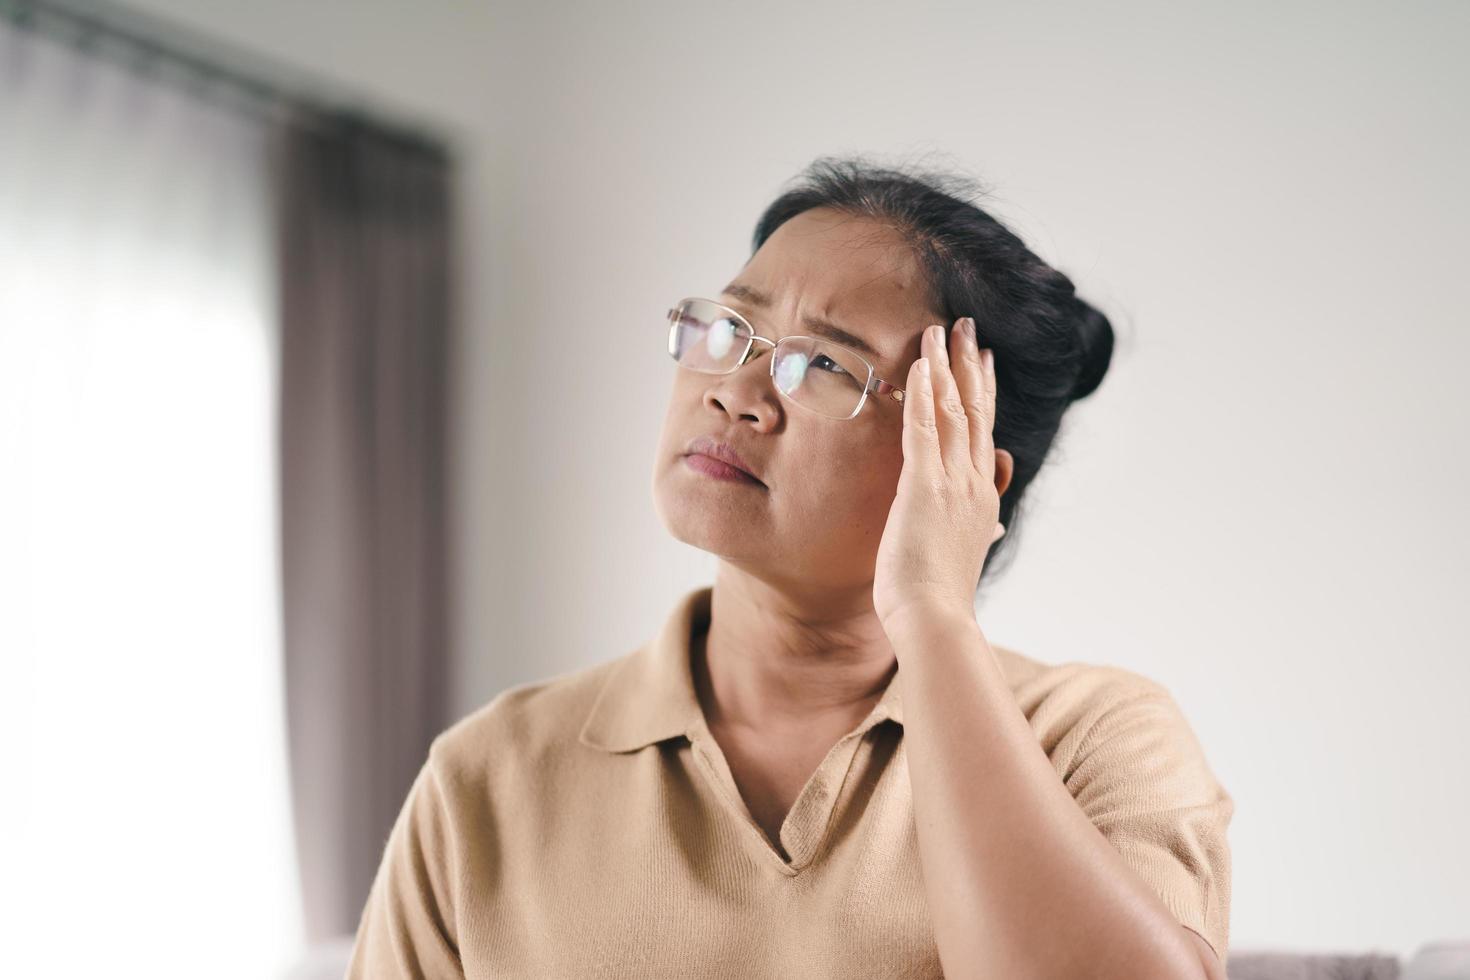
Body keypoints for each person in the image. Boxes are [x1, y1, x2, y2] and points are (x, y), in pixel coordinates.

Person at [346, 156, 1233, 980]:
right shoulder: (491, 773)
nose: (733, 391)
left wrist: (931, 614)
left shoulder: (1094, 739)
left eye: (824, 364)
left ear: (964, 471)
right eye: (731, 328)